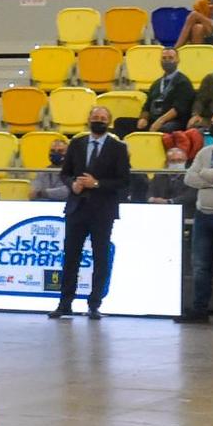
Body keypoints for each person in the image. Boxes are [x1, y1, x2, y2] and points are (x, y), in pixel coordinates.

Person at [49, 106, 132, 319]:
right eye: (95, 117)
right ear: (89, 120)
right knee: (70, 257)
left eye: (103, 118)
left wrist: (96, 184)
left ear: (109, 122)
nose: (99, 120)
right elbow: (65, 173)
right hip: (77, 208)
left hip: (103, 210)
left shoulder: (118, 147)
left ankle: (94, 304)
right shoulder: (76, 143)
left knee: (100, 257)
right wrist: (72, 184)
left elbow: (123, 181)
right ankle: (65, 303)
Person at [184, 112, 213, 320]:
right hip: (203, 214)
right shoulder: (204, 151)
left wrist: (206, 175)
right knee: (200, 265)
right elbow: (189, 178)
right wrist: (212, 181)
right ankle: (199, 310)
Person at [144, 48, 196, 134]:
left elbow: (179, 108)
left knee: (164, 129)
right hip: (154, 118)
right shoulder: (157, 83)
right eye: (164, 58)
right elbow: (147, 104)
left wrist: (160, 121)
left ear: (178, 60)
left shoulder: (183, 82)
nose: (167, 61)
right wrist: (144, 118)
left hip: (174, 121)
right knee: (121, 122)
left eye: (170, 58)